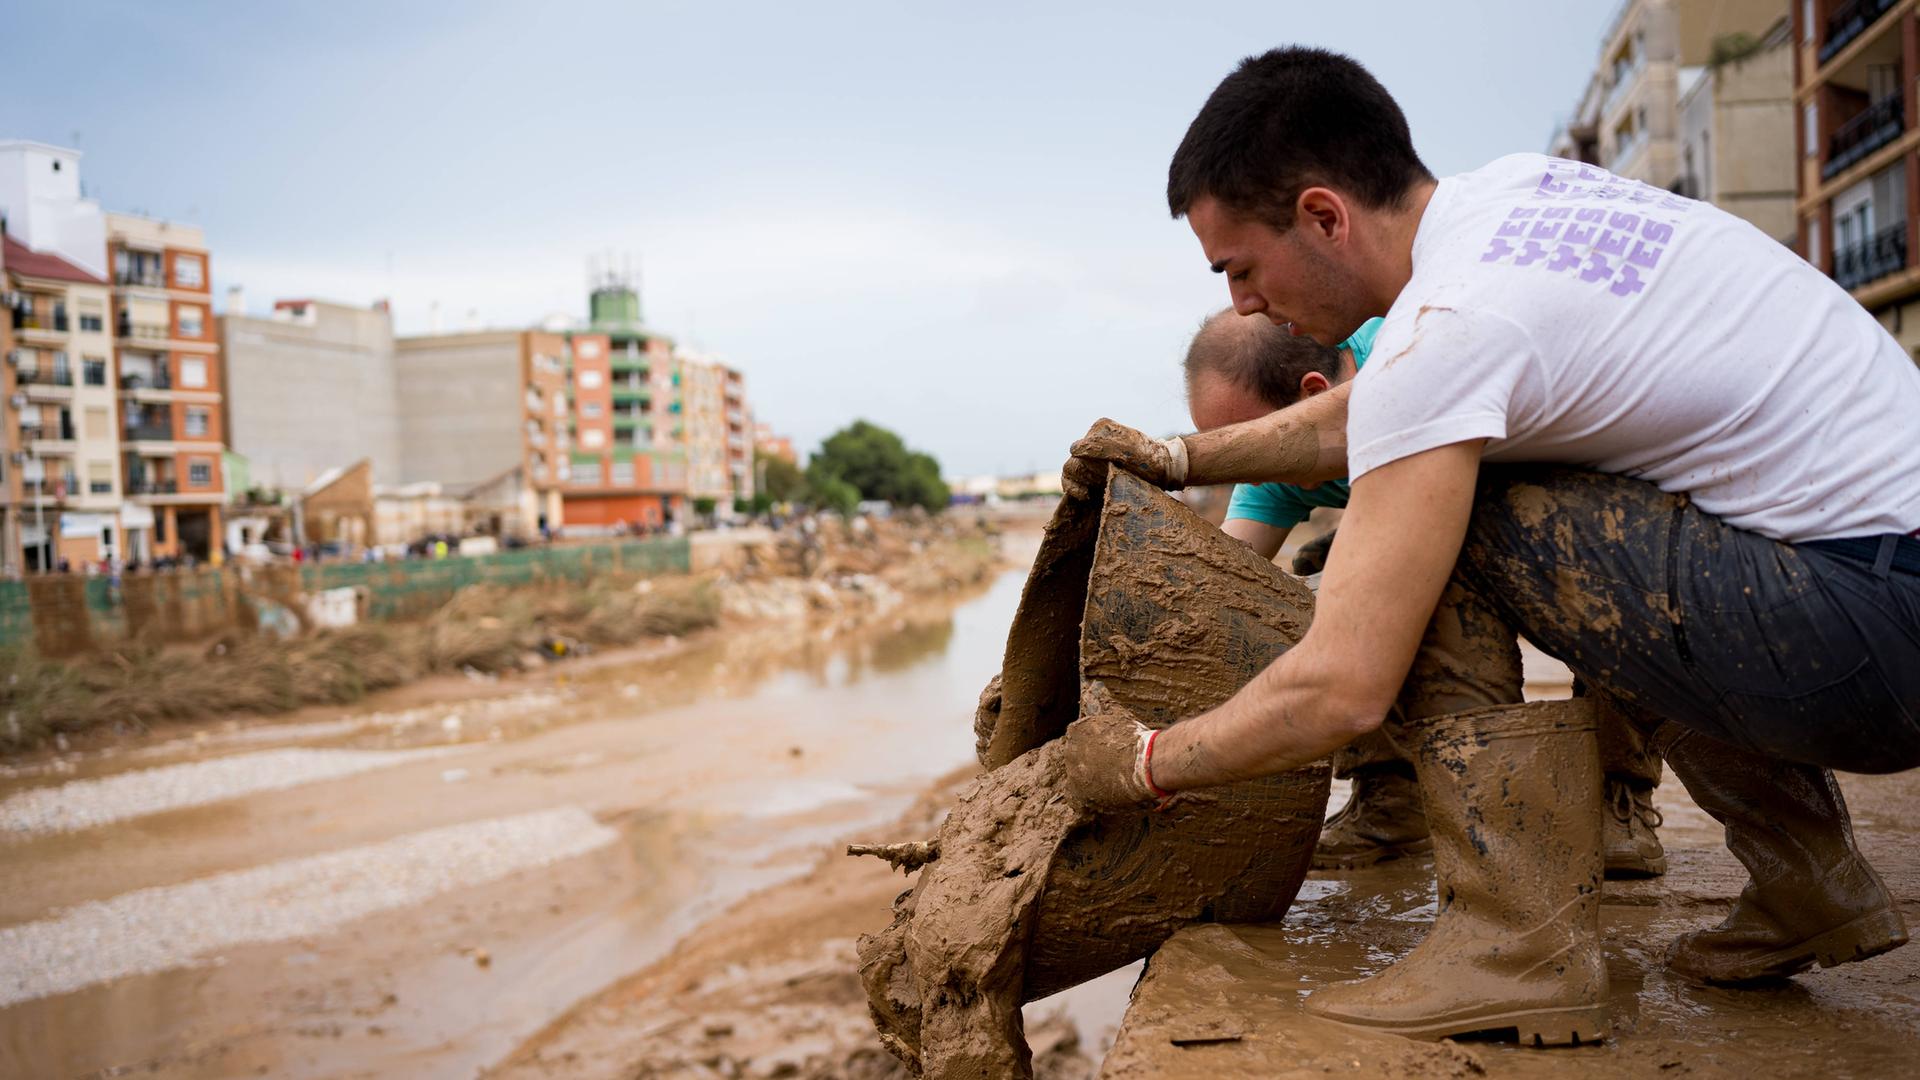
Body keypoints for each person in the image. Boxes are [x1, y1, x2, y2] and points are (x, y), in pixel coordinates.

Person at [1062, 47, 1918, 1045]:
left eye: (1240, 270)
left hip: (1873, 629)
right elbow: (1384, 404)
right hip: (1869, 583)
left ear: (1325, 216)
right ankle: (1806, 879)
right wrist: (1181, 456)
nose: (1245, 306)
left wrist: (1141, 763)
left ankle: (1516, 944)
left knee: (1455, 516)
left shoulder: (1450, 323)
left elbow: (1343, 687)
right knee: (1522, 488)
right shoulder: (1515, 201)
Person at [1183, 308, 1668, 877]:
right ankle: (1393, 799)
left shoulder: (1417, 349)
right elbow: (1220, 585)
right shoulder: (1277, 474)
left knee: (1604, 569)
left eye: (1250, 448)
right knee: (1336, 574)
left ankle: (1620, 793)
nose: (1250, 472)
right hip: (1446, 519)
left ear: (1312, 396)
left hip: (1585, 503)